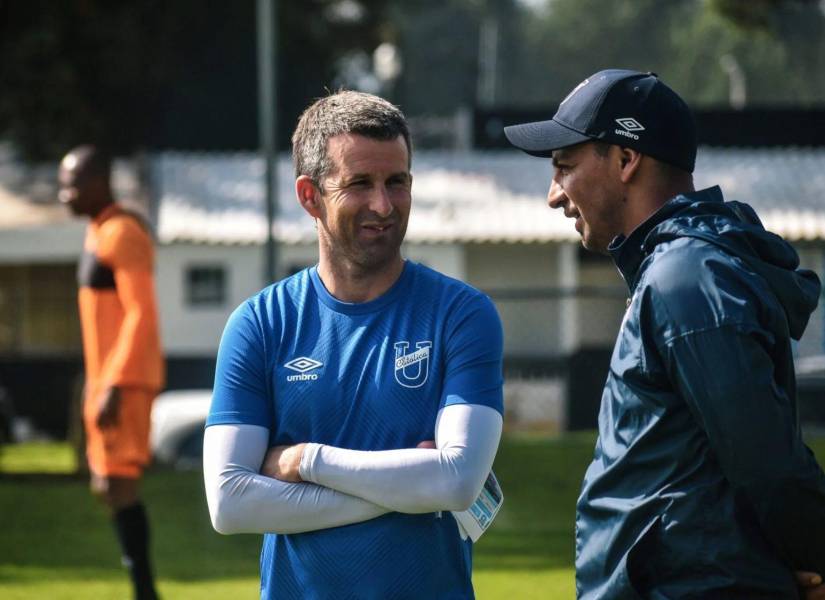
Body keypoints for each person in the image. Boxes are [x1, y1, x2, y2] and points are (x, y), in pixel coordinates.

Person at [505, 69, 825, 599]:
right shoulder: (678, 271)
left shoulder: (686, 278)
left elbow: (766, 463)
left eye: (564, 167)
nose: (554, 195)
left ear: (627, 160)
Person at [202, 90, 504, 599]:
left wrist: (305, 462)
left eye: (397, 182)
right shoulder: (259, 323)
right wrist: (407, 491)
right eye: (359, 183)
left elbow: (456, 484)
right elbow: (230, 504)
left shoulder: (462, 314)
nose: (383, 205)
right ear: (309, 196)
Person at [59, 145, 165, 600]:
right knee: (107, 486)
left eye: (72, 183)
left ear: (100, 181)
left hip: (122, 384)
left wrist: (117, 383)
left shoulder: (122, 232)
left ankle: (144, 590)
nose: (64, 192)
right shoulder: (97, 232)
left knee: (119, 486)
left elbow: (142, 313)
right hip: (104, 382)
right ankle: (142, 587)